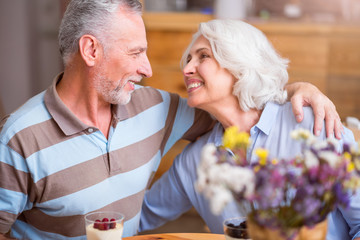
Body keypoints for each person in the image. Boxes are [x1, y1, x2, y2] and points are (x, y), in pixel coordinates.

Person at [0, 0, 342, 239]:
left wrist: (299, 89)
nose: (149, 69)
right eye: (136, 53)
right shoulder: (19, 138)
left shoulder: (157, 109)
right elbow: (142, 215)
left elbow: (244, 109)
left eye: (202, 56)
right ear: (91, 51)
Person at [139, 19, 360, 240]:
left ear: (239, 64)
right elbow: (139, 217)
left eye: (203, 56)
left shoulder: (312, 124)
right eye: (188, 60)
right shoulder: (194, 161)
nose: (186, 69)